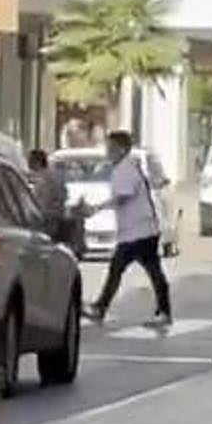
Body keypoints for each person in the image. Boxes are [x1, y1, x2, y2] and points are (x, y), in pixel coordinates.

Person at [80, 130, 173, 328]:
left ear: (121, 149)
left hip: (138, 231)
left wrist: (95, 208)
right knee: (143, 271)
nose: (107, 152)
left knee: (131, 270)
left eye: (111, 148)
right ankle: (162, 311)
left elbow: (122, 196)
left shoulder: (126, 168)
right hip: (138, 230)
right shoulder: (125, 167)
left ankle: (101, 308)